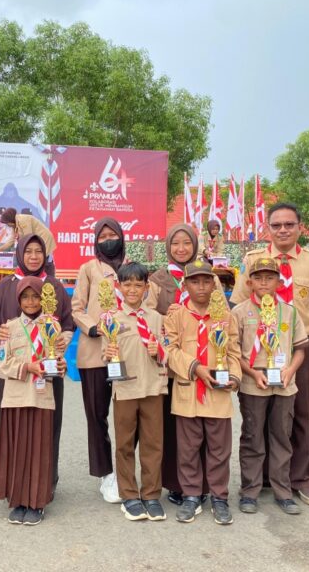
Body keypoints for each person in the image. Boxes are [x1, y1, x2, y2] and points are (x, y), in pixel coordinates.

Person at [231, 202, 309, 506]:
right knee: (256, 422)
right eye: (276, 225)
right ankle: (258, 482)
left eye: (289, 224)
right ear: (267, 228)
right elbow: (239, 305)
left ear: (300, 226)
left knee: (299, 416)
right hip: (257, 355)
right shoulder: (254, 260)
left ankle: (300, 480)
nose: (283, 230)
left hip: (298, 347)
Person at [71, 218, 156, 503]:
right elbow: (76, 307)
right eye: (102, 235)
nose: (108, 239)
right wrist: (93, 327)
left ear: (122, 237)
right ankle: (106, 474)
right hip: (96, 353)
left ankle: (129, 474)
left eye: (113, 234)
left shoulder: (133, 268)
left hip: (131, 355)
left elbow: (149, 304)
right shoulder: (88, 269)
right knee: (97, 416)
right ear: (96, 240)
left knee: (129, 417)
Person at [0, 233, 74, 493]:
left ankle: (46, 481)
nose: (34, 256)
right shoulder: (5, 286)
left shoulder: (55, 287)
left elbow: (66, 325)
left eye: (38, 251)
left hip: (47, 372)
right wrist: (0, 336)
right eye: (28, 251)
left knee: (48, 425)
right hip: (14, 373)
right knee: (14, 425)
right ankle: (16, 482)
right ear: (20, 253)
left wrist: (59, 345)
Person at [148, 223, 223, 505]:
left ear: (195, 244)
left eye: (187, 243)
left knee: (202, 424)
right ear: (168, 246)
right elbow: (149, 318)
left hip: (204, 362)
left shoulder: (205, 277)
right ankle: (177, 484)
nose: (181, 248)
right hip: (169, 362)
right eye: (176, 243)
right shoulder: (157, 279)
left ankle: (204, 484)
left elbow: (222, 316)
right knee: (173, 426)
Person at [164, 260, 241, 525]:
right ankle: (191, 495)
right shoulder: (176, 315)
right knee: (188, 448)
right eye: (194, 281)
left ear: (213, 283)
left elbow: (233, 351)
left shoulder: (224, 315)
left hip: (217, 392)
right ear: (185, 285)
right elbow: (170, 350)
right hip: (187, 390)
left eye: (206, 281)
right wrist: (195, 367)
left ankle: (219, 497)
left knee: (220, 449)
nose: (201, 287)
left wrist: (233, 377)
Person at [232, 258, 308, 515]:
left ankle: (283, 491)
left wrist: (290, 370)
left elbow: (299, 349)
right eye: (259, 277)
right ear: (249, 281)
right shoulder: (240, 312)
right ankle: (250, 491)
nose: (264, 282)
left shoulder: (290, 311)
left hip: (284, 384)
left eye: (270, 277)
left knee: (281, 437)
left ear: (279, 281)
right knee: (253, 437)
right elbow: (233, 352)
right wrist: (252, 372)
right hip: (254, 384)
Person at [0, 277, 67, 525]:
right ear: (18, 300)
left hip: (42, 397)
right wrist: (29, 367)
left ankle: (37, 502)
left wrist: (60, 365)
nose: (31, 302)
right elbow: (4, 362)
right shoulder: (8, 328)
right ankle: (18, 498)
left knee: (39, 449)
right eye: (25, 297)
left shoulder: (52, 327)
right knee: (18, 447)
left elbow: (58, 361)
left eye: (36, 297)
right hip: (16, 397)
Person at [101, 262, 168, 522]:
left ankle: (151, 494)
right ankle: (129, 495)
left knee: (153, 444)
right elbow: (105, 355)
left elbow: (167, 352)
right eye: (126, 284)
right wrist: (108, 354)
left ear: (146, 288)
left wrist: (158, 351)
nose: (132, 289)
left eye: (137, 285)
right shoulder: (111, 320)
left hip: (152, 387)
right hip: (125, 389)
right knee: (125, 445)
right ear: (118, 287)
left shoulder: (156, 319)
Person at [0, 208, 57, 276]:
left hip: (44, 240)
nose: (7, 225)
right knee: (37, 262)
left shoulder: (23, 220)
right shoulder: (15, 225)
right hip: (37, 242)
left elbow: (28, 238)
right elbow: (11, 240)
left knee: (43, 263)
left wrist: (21, 251)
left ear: (10, 220)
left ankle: (48, 280)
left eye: (7, 223)